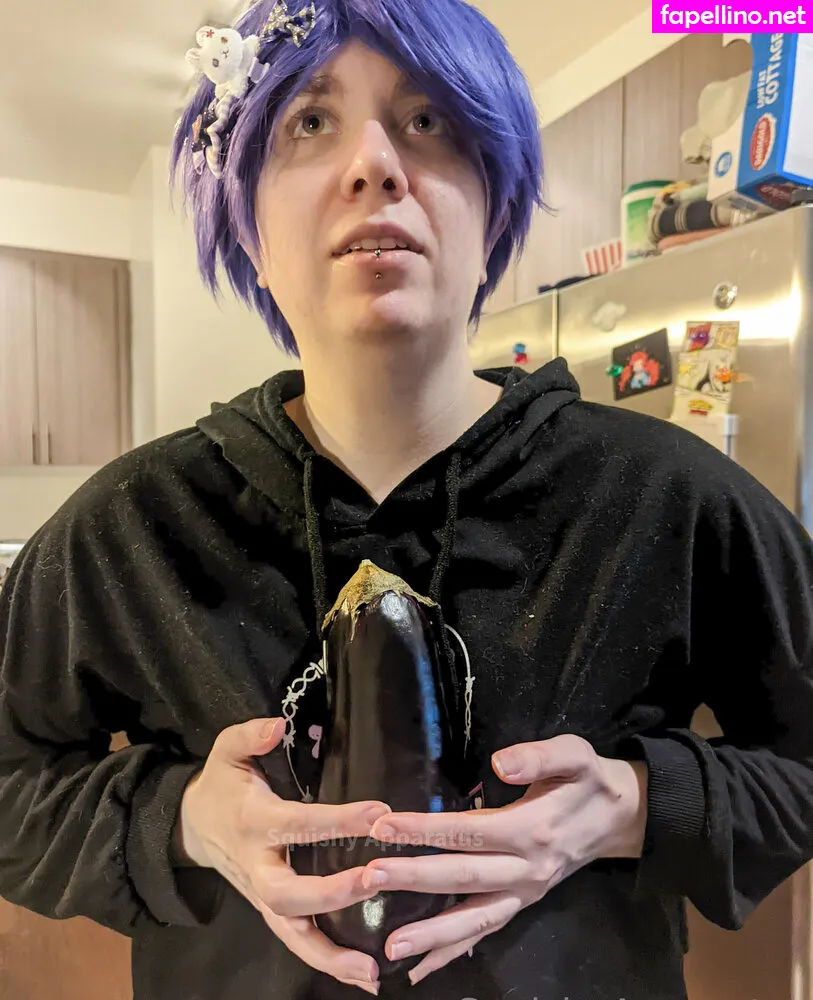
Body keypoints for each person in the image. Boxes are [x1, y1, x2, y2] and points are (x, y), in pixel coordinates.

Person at [1, 1, 813, 998]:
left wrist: (639, 805)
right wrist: (177, 821)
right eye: (310, 121)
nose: (374, 164)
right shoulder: (128, 527)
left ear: (495, 210)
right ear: (248, 229)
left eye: (427, 121)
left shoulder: (670, 497)